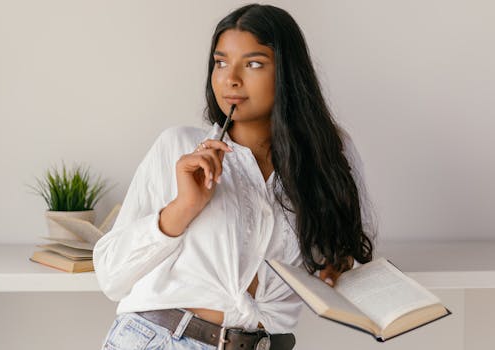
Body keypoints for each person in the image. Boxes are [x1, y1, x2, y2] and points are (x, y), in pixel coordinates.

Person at [93, 3, 375, 350]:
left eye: (254, 63)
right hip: (164, 339)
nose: (231, 78)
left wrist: (337, 265)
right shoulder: (179, 147)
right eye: (221, 62)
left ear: (288, 73)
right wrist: (182, 208)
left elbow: (345, 250)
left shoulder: (328, 156)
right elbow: (110, 276)